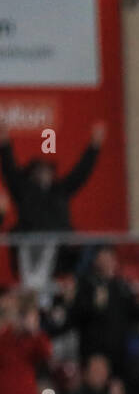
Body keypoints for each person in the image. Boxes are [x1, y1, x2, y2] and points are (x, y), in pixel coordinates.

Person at [0, 123, 106, 289]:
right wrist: (4, 144)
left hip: (60, 251)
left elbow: (80, 173)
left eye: (48, 170)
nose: (45, 173)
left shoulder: (61, 190)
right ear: (31, 173)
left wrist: (94, 147)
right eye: (40, 170)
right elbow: (9, 170)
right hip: (31, 249)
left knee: (97, 246)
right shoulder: (23, 190)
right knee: (34, 287)